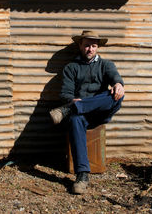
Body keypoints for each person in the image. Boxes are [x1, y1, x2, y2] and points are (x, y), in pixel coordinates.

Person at [50, 30, 124, 194]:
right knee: (75, 119)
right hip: (81, 116)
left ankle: (71, 109)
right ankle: (82, 175)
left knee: (117, 95)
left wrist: (118, 84)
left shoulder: (106, 65)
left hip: (100, 112)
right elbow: (65, 93)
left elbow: (115, 77)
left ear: (97, 47)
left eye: (93, 46)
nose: (90, 49)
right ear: (80, 45)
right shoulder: (71, 67)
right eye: (87, 45)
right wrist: (71, 101)